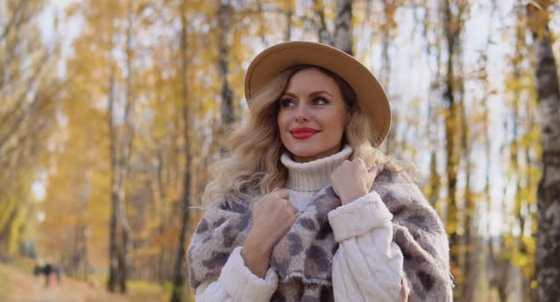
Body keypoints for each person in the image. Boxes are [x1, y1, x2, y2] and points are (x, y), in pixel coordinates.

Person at [188, 41, 453, 301]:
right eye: (288, 103)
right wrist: (257, 245)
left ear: (349, 114)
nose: (300, 114)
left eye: (319, 101)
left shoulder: (390, 196)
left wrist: (358, 206)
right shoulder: (241, 202)